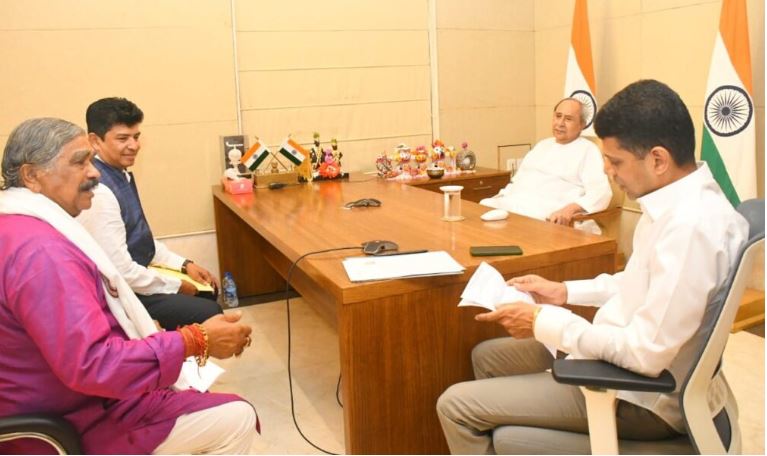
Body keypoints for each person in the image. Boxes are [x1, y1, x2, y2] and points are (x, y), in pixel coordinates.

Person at [437, 80, 749, 454]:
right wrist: (563, 292)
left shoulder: (691, 227)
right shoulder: (674, 203)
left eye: (615, 161)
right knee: (487, 357)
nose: (607, 171)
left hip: (639, 397)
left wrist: (543, 321)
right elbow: (636, 282)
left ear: (658, 159)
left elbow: (645, 354)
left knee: (455, 406)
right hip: (619, 358)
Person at [0, 118, 258, 454]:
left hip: (63, 399)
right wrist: (195, 340)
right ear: (31, 176)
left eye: (91, 161)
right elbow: (95, 364)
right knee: (236, 417)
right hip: (73, 418)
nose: (94, 173)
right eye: (79, 162)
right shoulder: (41, 251)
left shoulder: (17, 227)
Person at [77, 97, 223, 330]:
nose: (134, 145)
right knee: (208, 310)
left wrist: (184, 264)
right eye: (123, 138)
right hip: (120, 293)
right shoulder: (100, 193)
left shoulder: (120, 174)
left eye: (136, 137)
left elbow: (140, 239)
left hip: (134, 279)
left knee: (208, 292)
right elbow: (121, 271)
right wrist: (176, 285)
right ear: (95, 141)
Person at [480, 98, 612, 233]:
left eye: (568, 119)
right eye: (558, 116)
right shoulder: (543, 145)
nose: (560, 123)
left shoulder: (588, 150)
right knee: (484, 205)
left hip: (548, 213)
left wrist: (569, 209)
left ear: (582, 125)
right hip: (517, 204)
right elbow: (517, 181)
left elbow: (601, 193)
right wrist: (501, 198)